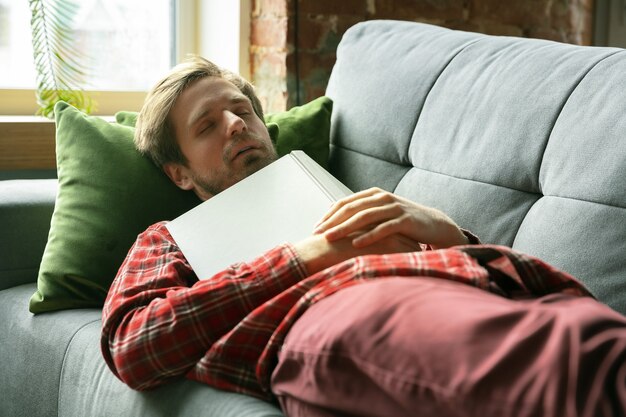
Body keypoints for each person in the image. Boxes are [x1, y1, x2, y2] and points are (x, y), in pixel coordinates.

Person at [101, 56, 626, 417]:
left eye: (241, 110)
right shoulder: (170, 239)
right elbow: (133, 343)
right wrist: (312, 254)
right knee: (569, 368)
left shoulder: (333, 191)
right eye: (208, 125)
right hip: (339, 313)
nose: (237, 124)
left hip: (483, 283)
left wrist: (450, 236)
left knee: (593, 334)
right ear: (180, 174)